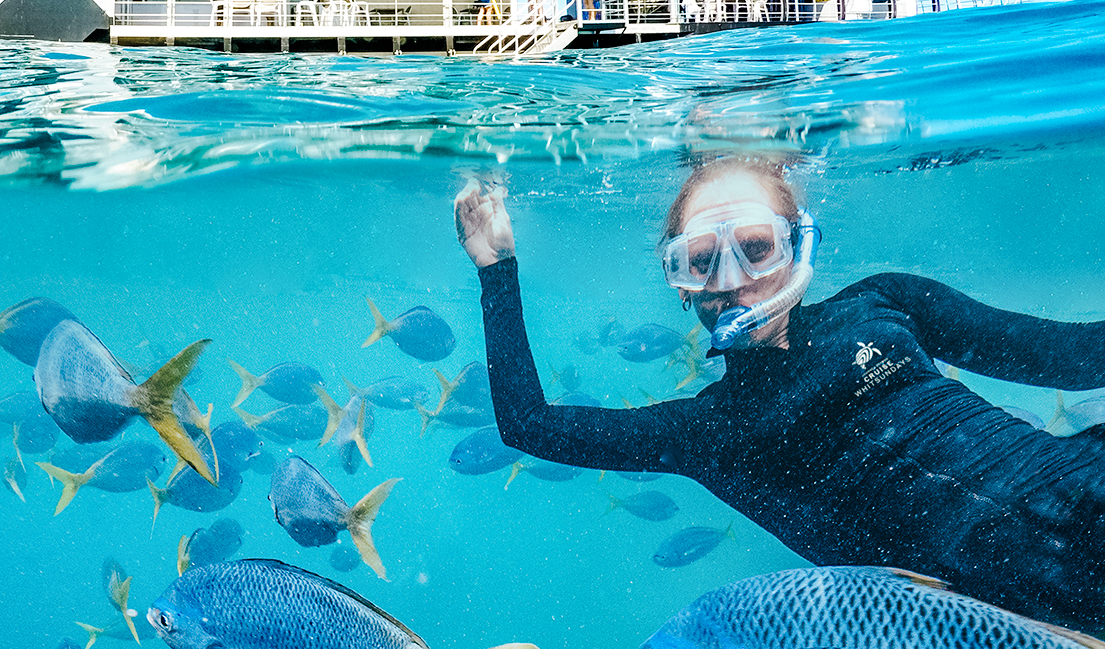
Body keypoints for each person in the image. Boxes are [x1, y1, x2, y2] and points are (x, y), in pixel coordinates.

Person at [454, 160, 1105, 633]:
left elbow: (1077, 358)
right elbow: (529, 425)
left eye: (756, 247)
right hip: (1006, 622)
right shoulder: (704, 432)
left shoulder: (886, 303)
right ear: (679, 285)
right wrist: (496, 270)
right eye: (702, 259)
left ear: (797, 247)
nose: (733, 280)